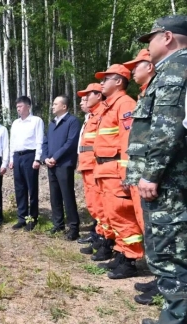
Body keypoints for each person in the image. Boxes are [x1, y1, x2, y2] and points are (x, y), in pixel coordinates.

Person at [134, 15, 187, 324]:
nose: (148, 45)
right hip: (171, 178)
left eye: (150, 38)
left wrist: (151, 173)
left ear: (167, 37)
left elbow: (168, 129)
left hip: (168, 181)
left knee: (170, 255)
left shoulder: (175, 71)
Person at [92, 64, 142, 280]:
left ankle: (130, 260)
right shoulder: (108, 106)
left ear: (119, 81)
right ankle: (121, 253)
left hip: (115, 170)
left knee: (122, 215)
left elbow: (127, 141)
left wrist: (125, 174)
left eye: (106, 79)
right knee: (112, 216)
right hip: (104, 169)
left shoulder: (125, 104)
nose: (102, 83)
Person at [122, 49, 159, 305]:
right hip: (140, 170)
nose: (133, 70)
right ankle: (161, 279)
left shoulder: (161, 89)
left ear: (150, 65)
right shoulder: (143, 95)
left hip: (153, 172)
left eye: (137, 65)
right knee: (148, 225)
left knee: (155, 228)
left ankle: (165, 282)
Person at [41, 95, 81, 240]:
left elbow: (70, 143)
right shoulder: (52, 123)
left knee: (67, 196)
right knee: (54, 196)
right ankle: (58, 224)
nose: (52, 106)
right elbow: (45, 142)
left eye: (55, 104)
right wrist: (45, 158)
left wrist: (55, 157)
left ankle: (74, 228)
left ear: (64, 106)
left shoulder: (72, 121)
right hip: (51, 164)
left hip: (64, 165)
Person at [75, 84, 106, 255]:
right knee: (94, 205)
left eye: (87, 96)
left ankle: (104, 241)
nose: (84, 100)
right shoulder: (91, 116)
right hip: (87, 165)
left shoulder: (103, 114)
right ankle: (99, 237)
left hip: (96, 166)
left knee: (101, 207)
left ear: (99, 95)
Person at [9, 97, 43, 231]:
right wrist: (11, 159)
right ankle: (21, 217)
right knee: (20, 188)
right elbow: (13, 141)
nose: (18, 109)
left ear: (28, 106)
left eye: (21, 106)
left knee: (32, 188)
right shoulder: (15, 123)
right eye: (17, 107)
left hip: (30, 156)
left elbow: (39, 140)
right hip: (18, 156)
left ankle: (32, 218)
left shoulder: (36, 121)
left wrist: (37, 158)